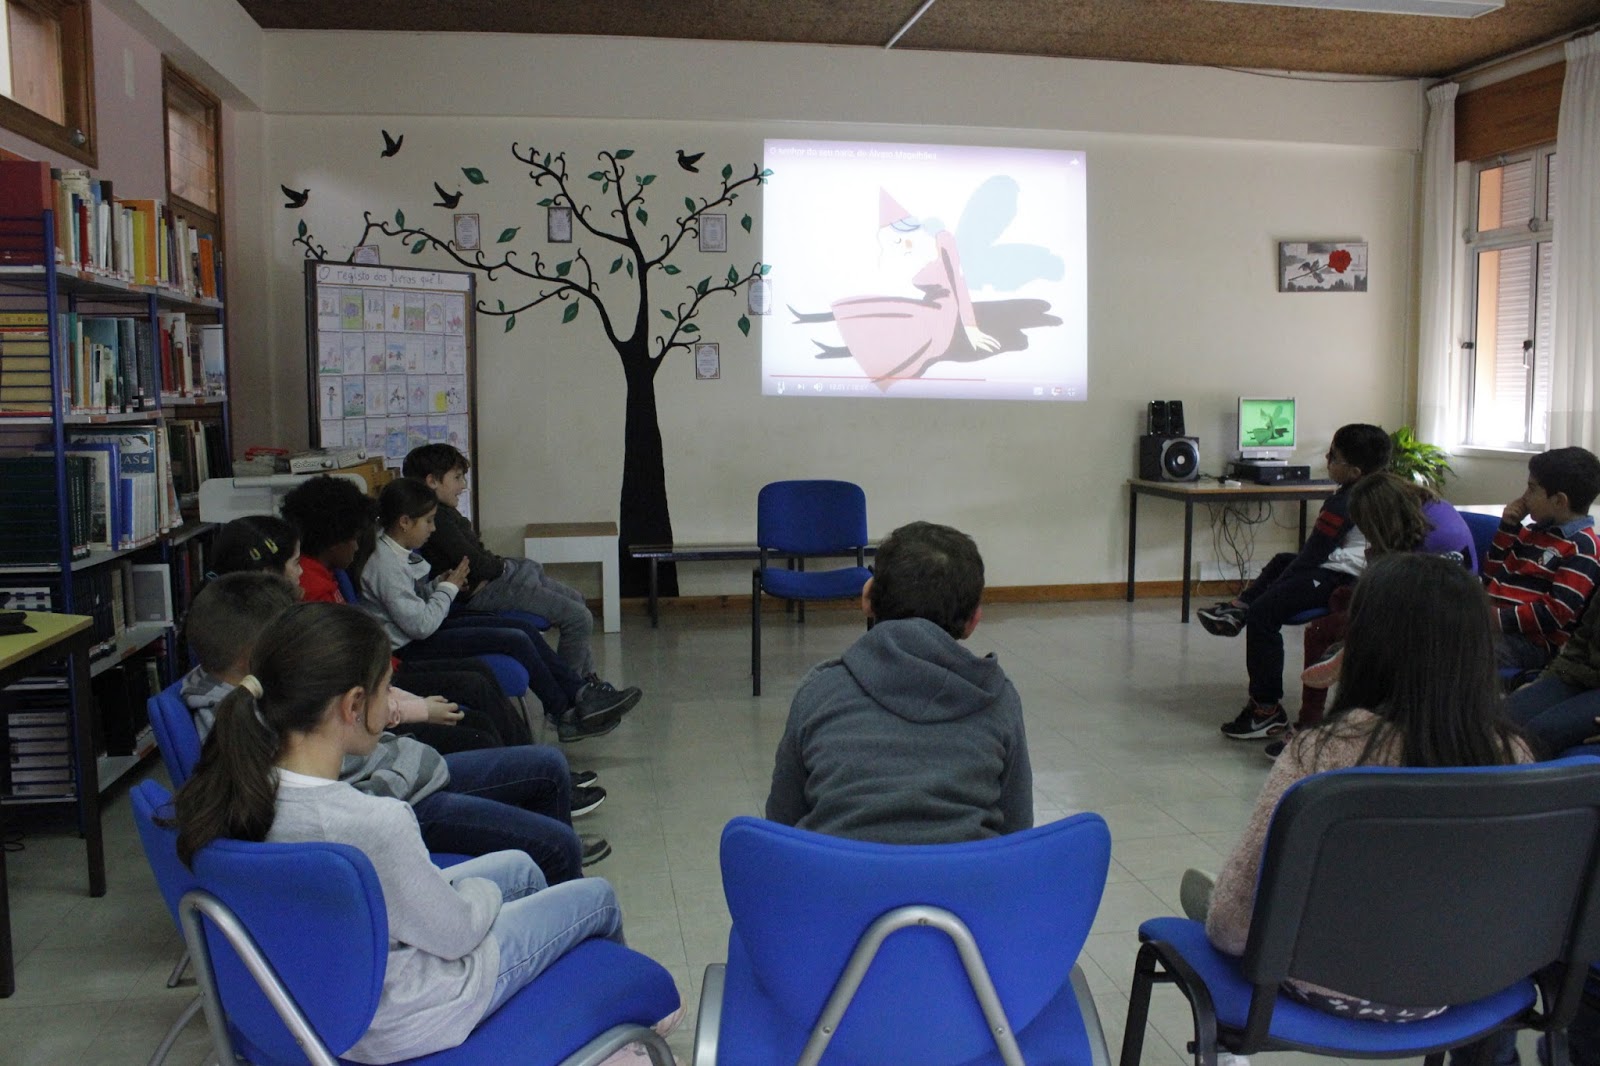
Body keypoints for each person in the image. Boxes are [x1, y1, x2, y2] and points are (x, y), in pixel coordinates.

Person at [169, 601, 650, 1063]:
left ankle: (554, 1000)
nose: (391, 704)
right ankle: (624, 1040)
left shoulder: (236, 794)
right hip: (408, 1014)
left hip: (316, 999)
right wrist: (479, 893)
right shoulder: (375, 821)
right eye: (387, 690)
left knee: (521, 867)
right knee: (598, 898)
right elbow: (457, 935)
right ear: (354, 705)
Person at [1183, 554, 1532, 1021]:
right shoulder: (1513, 755)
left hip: (1324, 983)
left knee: (1212, 900)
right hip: (1458, 990)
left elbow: (1231, 927)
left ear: (1362, 643)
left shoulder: (1321, 752)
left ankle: (1229, 1047)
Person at [180, 575, 609, 876]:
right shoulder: (248, 715)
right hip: (406, 801)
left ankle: (551, 874)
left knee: (548, 766)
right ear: (256, 651)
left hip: (406, 776)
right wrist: (412, 760)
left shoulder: (251, 691)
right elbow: (347, 799)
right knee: (557, 846)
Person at [765, 520, 1032, 843]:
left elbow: (780, 826)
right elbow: (1017, 833)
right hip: (962, 876)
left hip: (838, 876)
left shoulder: (819, 692)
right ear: (974, 619)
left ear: (867, 597)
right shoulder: (999, 700)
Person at [358, 477, 631, 741]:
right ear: (405, 522)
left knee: (522, 629)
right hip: (412, 646)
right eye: (428, 521)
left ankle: (580, 694)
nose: (432, 528)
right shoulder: (385, 565)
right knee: (515, 639)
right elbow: (420, 625)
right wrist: (448, 588)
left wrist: (440, 584)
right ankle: (566, 713)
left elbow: (415, 603)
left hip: (425, 629)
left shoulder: (394, 552)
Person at [209, 513, 505, 754]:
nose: (301, 572)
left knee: (480, 717)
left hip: (372, 708)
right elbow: (341, 702)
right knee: (479, 732)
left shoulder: (264, 628)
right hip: (364, 735)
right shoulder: (286, 638)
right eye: (295, 564)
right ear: (268, 575)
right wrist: (418, 710)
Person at [402, 445, 637, 712]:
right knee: (578, 617)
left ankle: (588, 683)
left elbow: (477, 556)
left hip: (492, 582)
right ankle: (578, 697)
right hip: (484, 592)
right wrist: (502, 568)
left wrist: (501, 566)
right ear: (432, 481)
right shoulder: (438, 520)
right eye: (456, 478)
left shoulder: (445, 514)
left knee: (574, 597)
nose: (463, 485)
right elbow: (475, 565)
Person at [1198, 423, 1392, 740]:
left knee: (1263, 614)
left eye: (1334, 457)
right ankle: (1237, 607)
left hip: (1341, 579)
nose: (1327, 459)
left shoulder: (1344, 502)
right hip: (1364, 573)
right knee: (1281, 560)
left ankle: (1265, 711)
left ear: (1355, 471)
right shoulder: (1383, 488)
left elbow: (1313, 556)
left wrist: (1275, 591)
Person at [1283, 472, 1477, 754]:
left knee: (1326, 631)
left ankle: (1316, 722)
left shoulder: (1433, 536)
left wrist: (1373, 572)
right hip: (1423, 600)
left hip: (1437, 617)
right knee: (1342, 604)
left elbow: (1403, 592)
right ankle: (1331, 703)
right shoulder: (1422, 509)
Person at [1481, 446, 1600, 671]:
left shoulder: (1582, 547)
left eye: (1532, 489)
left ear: (1559, 501)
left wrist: (1496, 619)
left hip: (1532, 644)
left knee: (1457, 648)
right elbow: (1490, 576)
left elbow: (1554, 612)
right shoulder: (1531, 532)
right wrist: (1508, 527)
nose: (1524, 497)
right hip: (1494, 625)